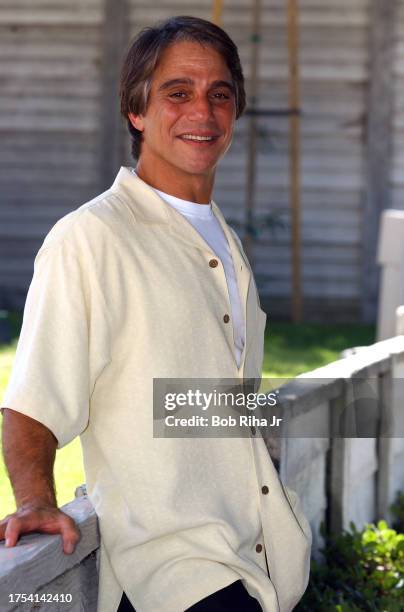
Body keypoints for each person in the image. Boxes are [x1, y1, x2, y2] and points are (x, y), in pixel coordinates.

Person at [0, 16, 312, 612]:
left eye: (220, 94)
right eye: (177, 92)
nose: (204, 110)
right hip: (176, 572)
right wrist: (36, 500)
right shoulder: (91, 238)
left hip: (261, 558)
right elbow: (35, 396)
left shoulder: (224, 243)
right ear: (135, 111)